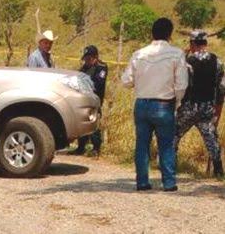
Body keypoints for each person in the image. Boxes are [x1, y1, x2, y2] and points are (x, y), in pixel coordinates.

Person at [121, 18, 188, 192]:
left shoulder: (139, 54)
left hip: (142, 104)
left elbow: (126, 81)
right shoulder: (176, 54)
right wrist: (177, 101)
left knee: (142, 144)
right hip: (164, 104)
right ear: (170, 34)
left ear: (152, 33)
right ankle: (169, 182)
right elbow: (181, 84)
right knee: (166, 144)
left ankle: (142, 182)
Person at [174, 30, 224, 178]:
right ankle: (219, 171)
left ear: (192, 43)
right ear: (206, 43)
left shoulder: (187, 62)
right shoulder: (218, 61)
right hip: (207, 108)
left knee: (173, 135)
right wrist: (217, 109)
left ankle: (170, 166)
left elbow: (180, 83)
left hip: (189, 107)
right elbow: (221, 88)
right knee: (212, 140)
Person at [72, 45, 108, 156]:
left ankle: (96, 148)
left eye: (89, 58)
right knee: (82, 122)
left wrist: (86, 84)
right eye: (86, 58)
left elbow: (99, 83)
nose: (87, 61)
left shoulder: (101, 67)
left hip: (95, 99)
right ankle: (81, 146)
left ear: (95, 57)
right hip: (83, 100)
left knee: (94, 124)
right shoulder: (84, 68)